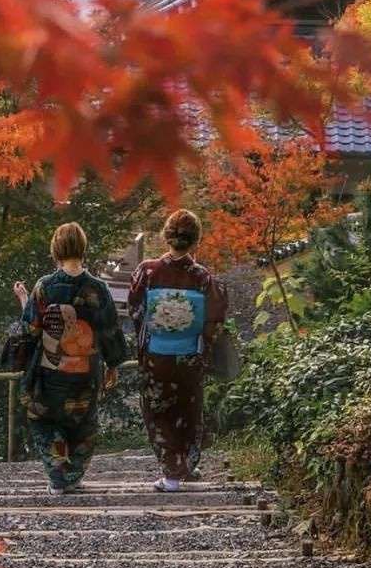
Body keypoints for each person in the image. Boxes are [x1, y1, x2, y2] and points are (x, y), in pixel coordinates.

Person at [14, 221, 127, 495]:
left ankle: (57, 476)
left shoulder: (45, 286)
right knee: (83, 423)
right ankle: (73, 475)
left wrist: (24, 299)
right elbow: (110, 329)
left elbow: (30, 329)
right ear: (83, 248)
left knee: (44, 418)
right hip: (86, 370)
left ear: (56, 249)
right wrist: (113, 364)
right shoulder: (98, 288)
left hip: (50, 370)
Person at [128, 208, 228, 492]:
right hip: (190, 355)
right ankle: (186, 464)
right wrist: (203, 346)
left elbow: (136, 312)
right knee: (189, 409)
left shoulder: (148, 271)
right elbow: (215, 319)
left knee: (159, 412)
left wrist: (145, 344)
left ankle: (172, 471)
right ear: (196, 240)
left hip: (157, 355)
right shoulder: (203, 278)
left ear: (166, 236)